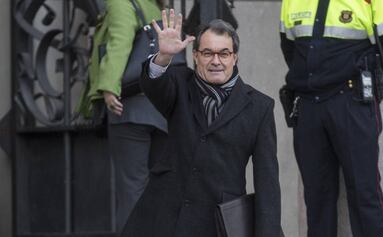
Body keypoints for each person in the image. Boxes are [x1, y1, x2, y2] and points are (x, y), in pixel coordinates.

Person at [121, 9, 282, 237]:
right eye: (207, 53)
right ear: (195, 56)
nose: (216, 61)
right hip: (165, 216)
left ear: (234, 57)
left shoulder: (259, 107)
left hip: (217, 222)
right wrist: (163, 56)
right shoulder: (179, 84)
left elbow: (267, 183)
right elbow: (153, 85)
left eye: (224, 54)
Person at [279, 0, 383, 237]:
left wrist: (378, 92)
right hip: (308, 107)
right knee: (317, 198)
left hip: (351, 102)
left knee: (364, 194)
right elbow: (289, 48)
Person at [78, 0, 168, 232]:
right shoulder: (154, 7)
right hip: (159, 112)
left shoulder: (121, 3)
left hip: (129, 108)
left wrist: (108, 87)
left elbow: (120, 42)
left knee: (132, 191)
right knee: (157, 190)